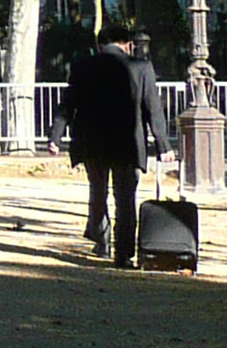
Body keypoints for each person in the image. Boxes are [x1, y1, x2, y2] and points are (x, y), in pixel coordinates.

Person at [62, 23, 167, 265]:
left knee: (97, 192)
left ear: (99, 45)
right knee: (125, 199)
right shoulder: (141, 67)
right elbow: (152, 108)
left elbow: (68, 103)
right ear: (127, 44)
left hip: (92, 142)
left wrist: (55, 136)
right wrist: (163, 145)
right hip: (127, 142)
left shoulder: (82, 66)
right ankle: (124, 253)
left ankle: (102, 241)